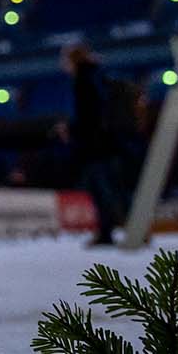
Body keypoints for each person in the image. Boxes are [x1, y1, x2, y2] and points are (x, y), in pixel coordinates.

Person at [61, 42, 124, 246]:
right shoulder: (97, 77)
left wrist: (72, 130)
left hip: (96, 146)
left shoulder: (84, 81)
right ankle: (120, 227)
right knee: (109, 187)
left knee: (102, 189)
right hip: (106, 143)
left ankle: (108, 231)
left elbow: (88, 117)